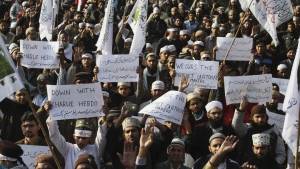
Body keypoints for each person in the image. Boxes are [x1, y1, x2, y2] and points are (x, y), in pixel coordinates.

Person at [232, 98, 286, 166]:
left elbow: (281, 154)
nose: (260, 119)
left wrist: (274, 165)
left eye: (263, 117)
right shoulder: (247, 129)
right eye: (257, 117)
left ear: (266, 117)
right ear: (252, 117)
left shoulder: (273, 131)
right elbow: (236, 126)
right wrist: (241, 109)